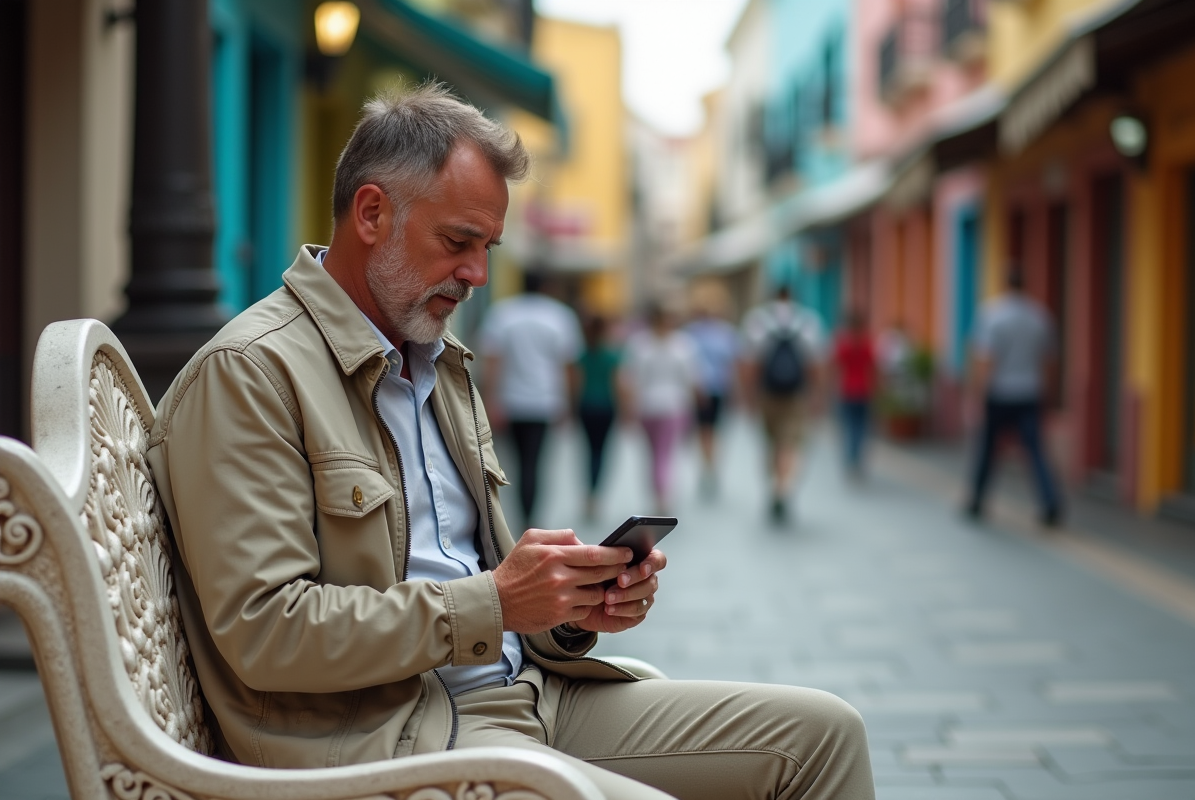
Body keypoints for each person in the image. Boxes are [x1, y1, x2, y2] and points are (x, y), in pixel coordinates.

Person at [146, 83, 874, 800]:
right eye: (458, 242)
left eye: (488, 246)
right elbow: (267, 631)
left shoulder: (439, 360)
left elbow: (475, 575)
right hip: (397, 735)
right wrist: (493, 603)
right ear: (371, 213)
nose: (477, 274)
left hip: (533, 695)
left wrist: (564, 605)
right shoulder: (250, 373)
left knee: (825, 735)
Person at [478, 270, 582, 527]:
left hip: (511, 402)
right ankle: (530, 516)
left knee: (513, 463)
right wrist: (568, 403)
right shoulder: (560, 316)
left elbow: (492, 361)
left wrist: (491, 400)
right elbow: (569, 365)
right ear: (546, 286)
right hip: (545, 402)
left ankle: (520, 514)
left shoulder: (503, 313)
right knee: (534, 463)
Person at [965, 268, 1063, 527]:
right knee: (1035, 451)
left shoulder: (992, 315)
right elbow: (1049, 360)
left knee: (987, 449)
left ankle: (977, 500)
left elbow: (986, 359)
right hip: (1029, 391)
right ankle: (1050, 503)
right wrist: (1045, 389)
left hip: (999, 392)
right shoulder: (1040, 316)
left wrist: (978, 393)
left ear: (1005, 285)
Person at [741, 285, 824, 524]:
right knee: (792, 443)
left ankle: (775, 486)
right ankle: (783, 489)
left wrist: (748, 396)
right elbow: (815, 364)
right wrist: (818, 395)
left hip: (768, 394)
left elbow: (750, 364)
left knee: (772, 443)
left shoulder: (758, 320)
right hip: (796, 395)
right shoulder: (808, 321)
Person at [619, 303, 700, 516]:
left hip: (647, 406)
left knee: (653, 454)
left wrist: (628, 407)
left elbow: (629, 378)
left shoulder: (639, 344)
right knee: (664, 453)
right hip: (673, 406)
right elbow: (690, 379)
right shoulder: (683, 345)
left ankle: (658, 492)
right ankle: (662, 494)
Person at [683, 281, 741, 495]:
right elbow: (732, 364)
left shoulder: (692, 332)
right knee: (710, 431)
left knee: (706, 431)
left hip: (706, 389)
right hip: (712, 389)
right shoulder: (725, 332)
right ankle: (710, 466)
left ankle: (708, 466)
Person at [575, 315, 621, 519]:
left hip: (586, 406)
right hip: (605, 407)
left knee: (588, 450)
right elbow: (617, 384)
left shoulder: (582, 354)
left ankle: (589, 493)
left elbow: (576, 383)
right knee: (600, 451)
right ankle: (595, 494)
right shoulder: (611, 355)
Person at [832, 309, 876, 478]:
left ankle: (851, 457)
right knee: (861, 427)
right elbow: (874, 367)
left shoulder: (844, 342)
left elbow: (835, 366)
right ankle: (856, 457)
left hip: (847, 390)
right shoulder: (867, 342)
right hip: (864, 390)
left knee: (849, 426)